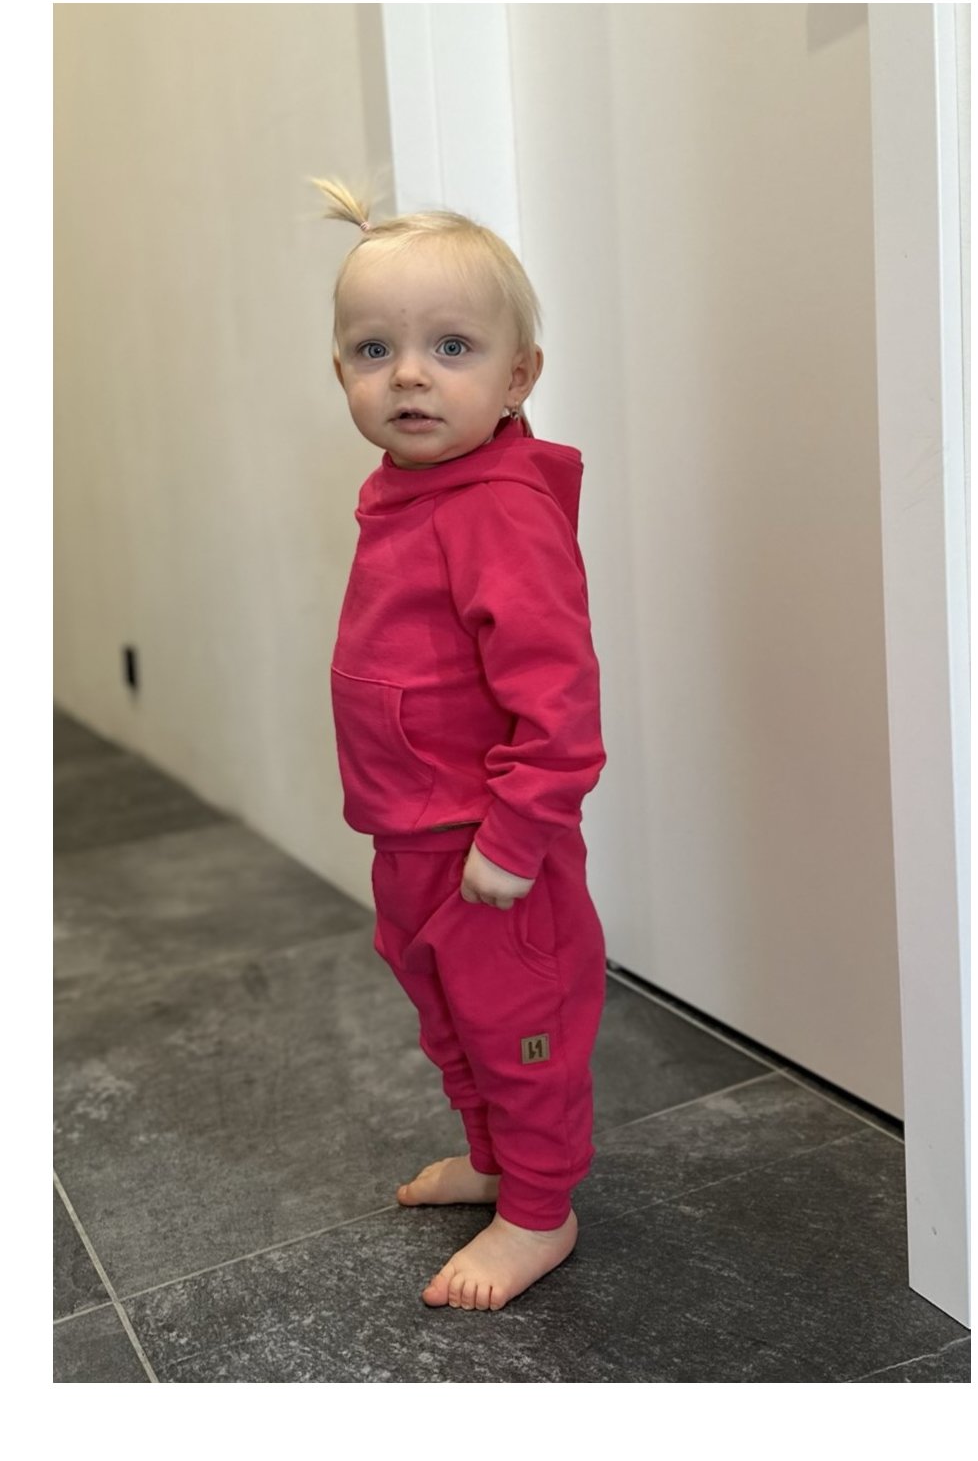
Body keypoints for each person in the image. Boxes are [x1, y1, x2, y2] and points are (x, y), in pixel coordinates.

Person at [314, 178, 607, 1311]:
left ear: (517, 376)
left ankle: (539, 1208)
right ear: (340, 371)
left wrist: (518, 835)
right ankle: (492, 1160)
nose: (408, 375)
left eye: (450, 347)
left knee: (519, 1024)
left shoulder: (498, 509)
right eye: (373, 349)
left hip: (488, 846)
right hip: (410, 834)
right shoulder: (408, 491)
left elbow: (560, 702)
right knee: (449, 1017)